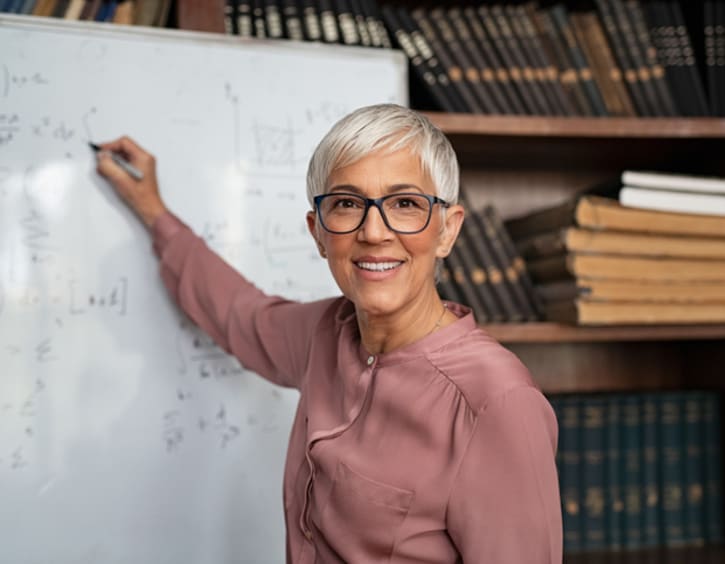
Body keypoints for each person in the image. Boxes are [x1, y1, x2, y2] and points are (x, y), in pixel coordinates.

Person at [95, 103, 562, 563]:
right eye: (346, 204)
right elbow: (239, 314)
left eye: (404, 204)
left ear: (447, 230)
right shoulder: (325, 334)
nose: (374, 232)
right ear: (318, 232)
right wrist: (154, 211)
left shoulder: (496, 402)